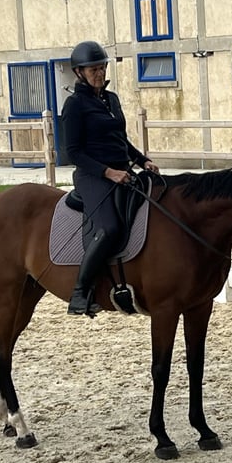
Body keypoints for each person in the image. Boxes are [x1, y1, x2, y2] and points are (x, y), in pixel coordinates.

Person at [62, 40, 159, 316]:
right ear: (79, 72)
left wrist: (143, 160)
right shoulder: (74, 105)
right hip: (93, 175)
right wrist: (108, 172)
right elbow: (73, 152)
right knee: (109, 228)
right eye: (93, 69)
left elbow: (121, 140)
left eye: (102, 68)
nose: (99, 73)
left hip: (122, 172)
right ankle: (80, 293)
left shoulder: (111, 99)